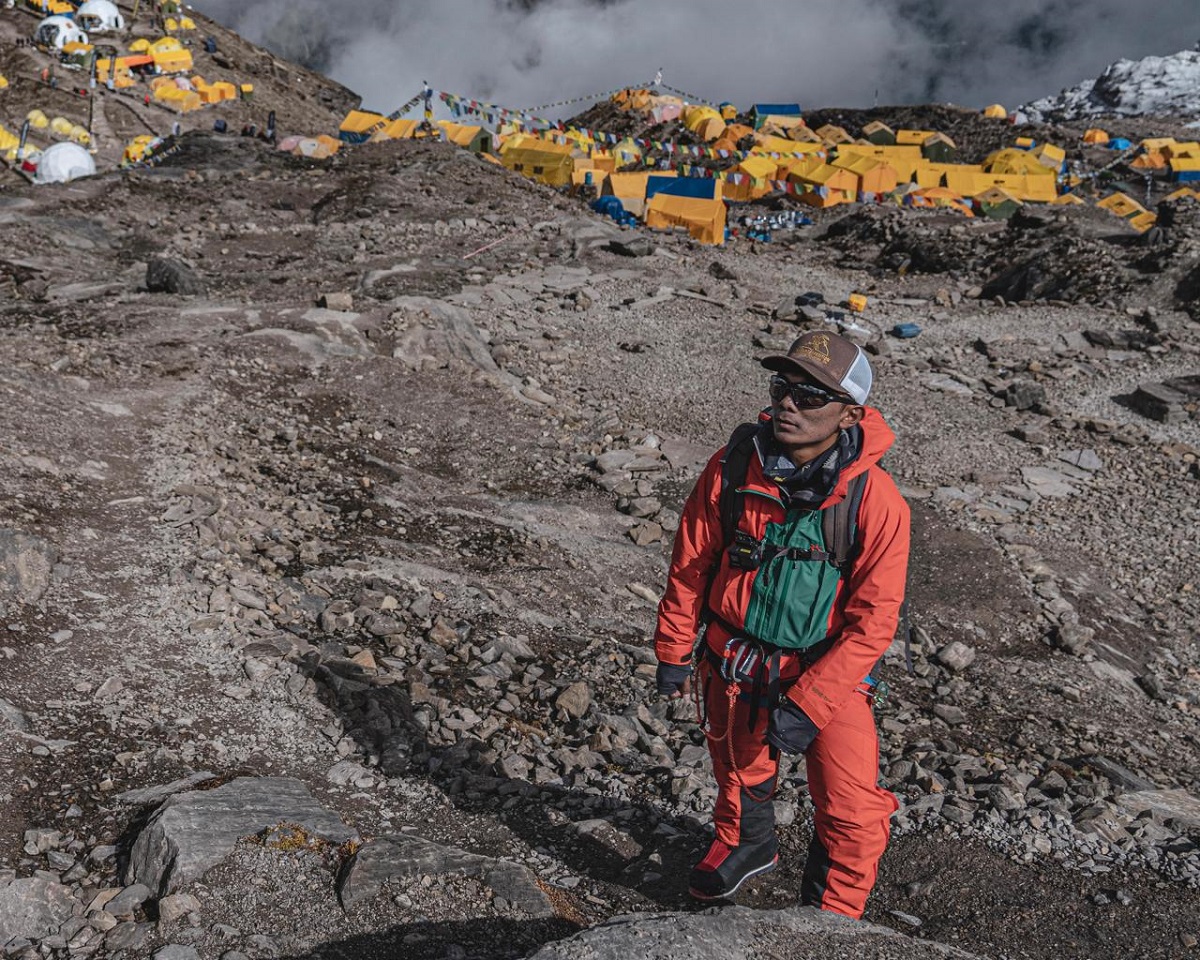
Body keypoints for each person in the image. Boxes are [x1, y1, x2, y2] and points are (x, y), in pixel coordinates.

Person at [653, 330, 910, 919]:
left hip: (829, 671)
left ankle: (832, 921)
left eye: (809, 395)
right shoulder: (734, 467)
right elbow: (691, 562)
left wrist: (808, 705)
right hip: (735, 658)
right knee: (739, 768)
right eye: (781, 388)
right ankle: (746, 843)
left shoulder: (877, 502)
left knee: (851, 809)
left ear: (849, 415)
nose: (788, 404)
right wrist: (673, 649)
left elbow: (875, 623)